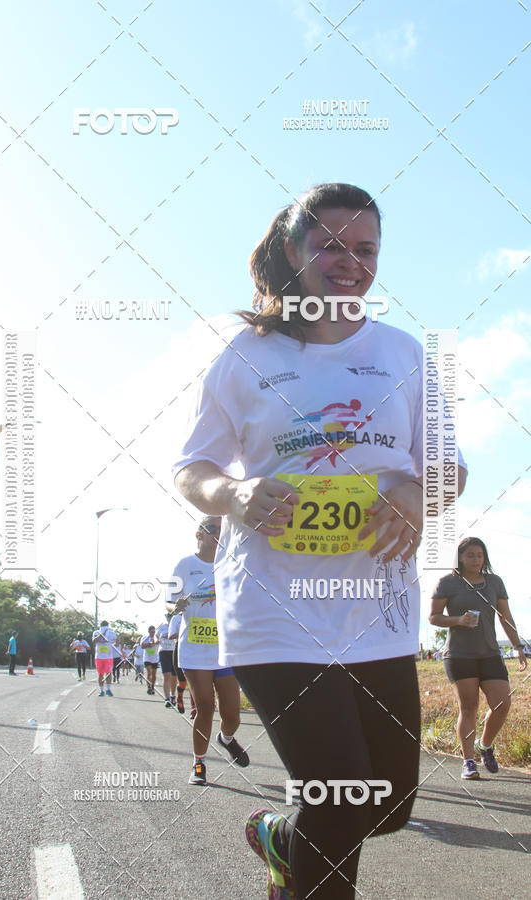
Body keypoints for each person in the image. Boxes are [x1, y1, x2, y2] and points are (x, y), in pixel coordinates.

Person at [173, 183, 467, 898]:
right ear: (294, 250)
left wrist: (414, 491)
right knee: (340, 797)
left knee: (389, 803)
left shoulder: (404, 353)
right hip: (276, 605)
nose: (349, 261)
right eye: (330, 244)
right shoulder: (247, 354)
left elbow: (449, 467)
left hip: (378, 609)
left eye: (364, 248)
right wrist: (235, 493)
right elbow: (194, 467)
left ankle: (280, 837)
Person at [429, 536, 527, 779]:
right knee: (469, 706)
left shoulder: (494, 582)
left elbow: (505, 616)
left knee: (502, 704)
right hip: (459, 656)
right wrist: (458, 620)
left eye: (480, 555)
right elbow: (433, 617)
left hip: (490, 654)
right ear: (460, 558)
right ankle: (468, 760)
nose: (475, 560)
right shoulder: (447, 583)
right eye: (470, 555)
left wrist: (518, 645)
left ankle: (485, 746)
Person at [168, 516, 249, 786]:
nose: (217, 534)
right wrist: (179, 606)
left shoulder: (231, 562)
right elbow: (169, 603)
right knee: (205, 706)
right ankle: (199, 763)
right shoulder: (185, 565)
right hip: (194, 648)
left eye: (221, 530)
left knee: (232, 714)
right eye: (211, 529)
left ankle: (226, 738)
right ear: (198, 534)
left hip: (225, 648)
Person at [168, 612, 196, 717]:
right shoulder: (176, 618)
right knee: (183, 682)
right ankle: (179, 698)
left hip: (196, 648)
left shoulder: (196, 614)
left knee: (193, 681)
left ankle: (194, 709)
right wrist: (186, 631)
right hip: (181, 649)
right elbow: (171, 635)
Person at [156, 613, 178, 707]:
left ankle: (173, 695)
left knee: (174, 676)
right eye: (168, 616)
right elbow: (156, 636)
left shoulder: (177, 624)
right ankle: (167, 698)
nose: (169, 618)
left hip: (174, 651)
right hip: (164, 651)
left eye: (171, 616)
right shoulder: (161, 627)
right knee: (167, 675)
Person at [92, 620, 117, 697]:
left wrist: (110, 644)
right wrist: (102, 634)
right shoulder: (96, 632)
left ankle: (108, 690)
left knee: (109, 673)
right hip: (99, 657)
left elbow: (117, 641)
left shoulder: (112, 633)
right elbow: (94, 641)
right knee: (100, 674)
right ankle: (101, 690)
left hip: (108, 657)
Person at [140, 626, 160, 694]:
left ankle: (152, 687)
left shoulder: (156, 637)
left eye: (154, 632)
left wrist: (156, 642)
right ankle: (149, 687)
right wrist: (148, 644)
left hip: (155, 658)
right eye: (152, 632)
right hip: (147, 657)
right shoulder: (145, 637)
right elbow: (142, 646)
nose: (153, 633)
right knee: (149, 672)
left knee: (154, 674)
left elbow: (159, 642)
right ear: (149, 632)